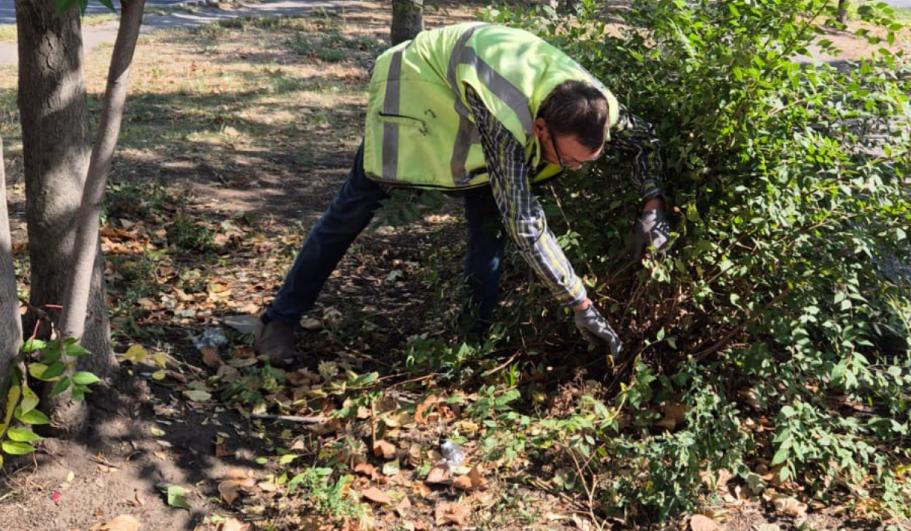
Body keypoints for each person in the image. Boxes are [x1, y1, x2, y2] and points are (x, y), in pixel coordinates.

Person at [254, 22, 669, 364]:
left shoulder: (596, 108)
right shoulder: (506, 113)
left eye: (584, 163)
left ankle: (471, 346)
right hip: (416, 94)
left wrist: (653, 206)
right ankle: (280, 320)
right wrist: (582, 306)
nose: (573, 170)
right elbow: (526, 225)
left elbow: (645, 140)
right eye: (570, 161)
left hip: (469, 109)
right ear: (539, 129)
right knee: (350, 213)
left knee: (488, 232)